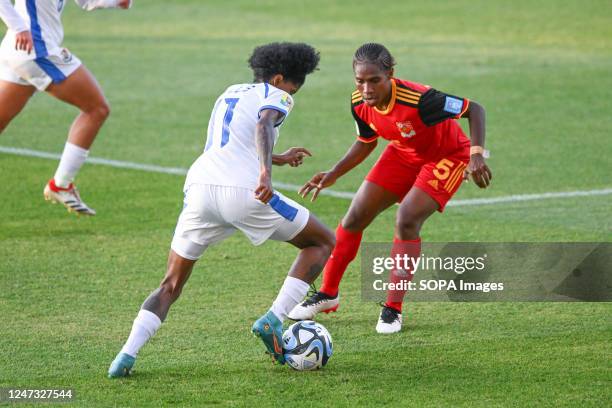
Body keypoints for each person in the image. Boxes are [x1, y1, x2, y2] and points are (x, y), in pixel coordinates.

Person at [108, 42, 334, 377]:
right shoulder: (277, 95)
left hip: (199, 189)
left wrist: (278, 157)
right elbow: (264, 125)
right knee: (322, 242)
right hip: (245, 192)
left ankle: (125, 356)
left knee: (170, 284)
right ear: (279, 78)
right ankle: (274, 318)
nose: (292, 94)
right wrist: (266, 174)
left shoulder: (230, 92)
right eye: (293, 87)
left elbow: (232, 143)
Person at [289, 43, 492, 334]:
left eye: (374, 80)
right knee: (355, 217)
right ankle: (328, 294)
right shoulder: (359, 102)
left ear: (390, 75)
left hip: (447, 156)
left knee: (407, 219)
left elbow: (475, 109)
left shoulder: (420, 99)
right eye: (360, 81)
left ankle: (393, 309)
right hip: (403, 153)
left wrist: (475, 155)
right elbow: (366, 141)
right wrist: (335, 172)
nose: (367, 88)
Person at [0, 0, 132, 216]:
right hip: (35, 49)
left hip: (23, 48)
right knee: (96, 109)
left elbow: (85, 1)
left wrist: (116, 2)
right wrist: (19, 28)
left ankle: (61, 185)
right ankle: (61, 184)